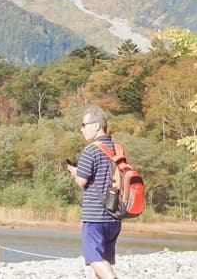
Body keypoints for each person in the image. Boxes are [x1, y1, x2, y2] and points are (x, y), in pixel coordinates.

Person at [66, 106, 121, 279]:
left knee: (94, 258)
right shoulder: (117, 149)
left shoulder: (90, 150)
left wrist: (75, 173)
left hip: (95, 215)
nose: (81, 129)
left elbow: (82, 182)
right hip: (114, 215)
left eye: (84, 124)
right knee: (104, 260)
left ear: (97, 126)